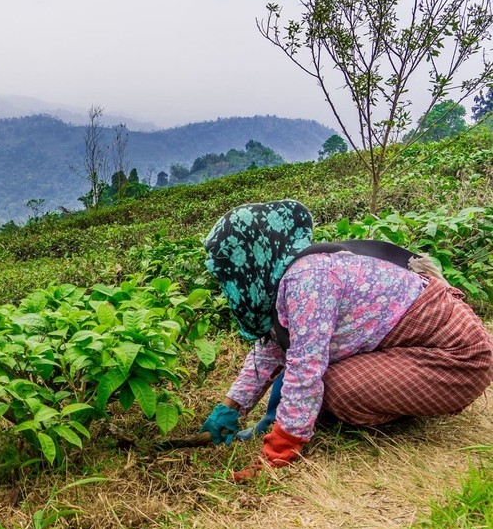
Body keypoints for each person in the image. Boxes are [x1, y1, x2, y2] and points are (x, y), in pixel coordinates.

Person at [199, 200, 493, 480]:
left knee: (334, 389)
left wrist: (281, 447)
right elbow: (271, 351)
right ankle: (395, 396)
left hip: (459, 358)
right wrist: (230, 408)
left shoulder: (308, 279)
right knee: (321, 385)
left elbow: (305, 367)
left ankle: (404, 407)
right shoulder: (294, 272)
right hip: (416, 348)